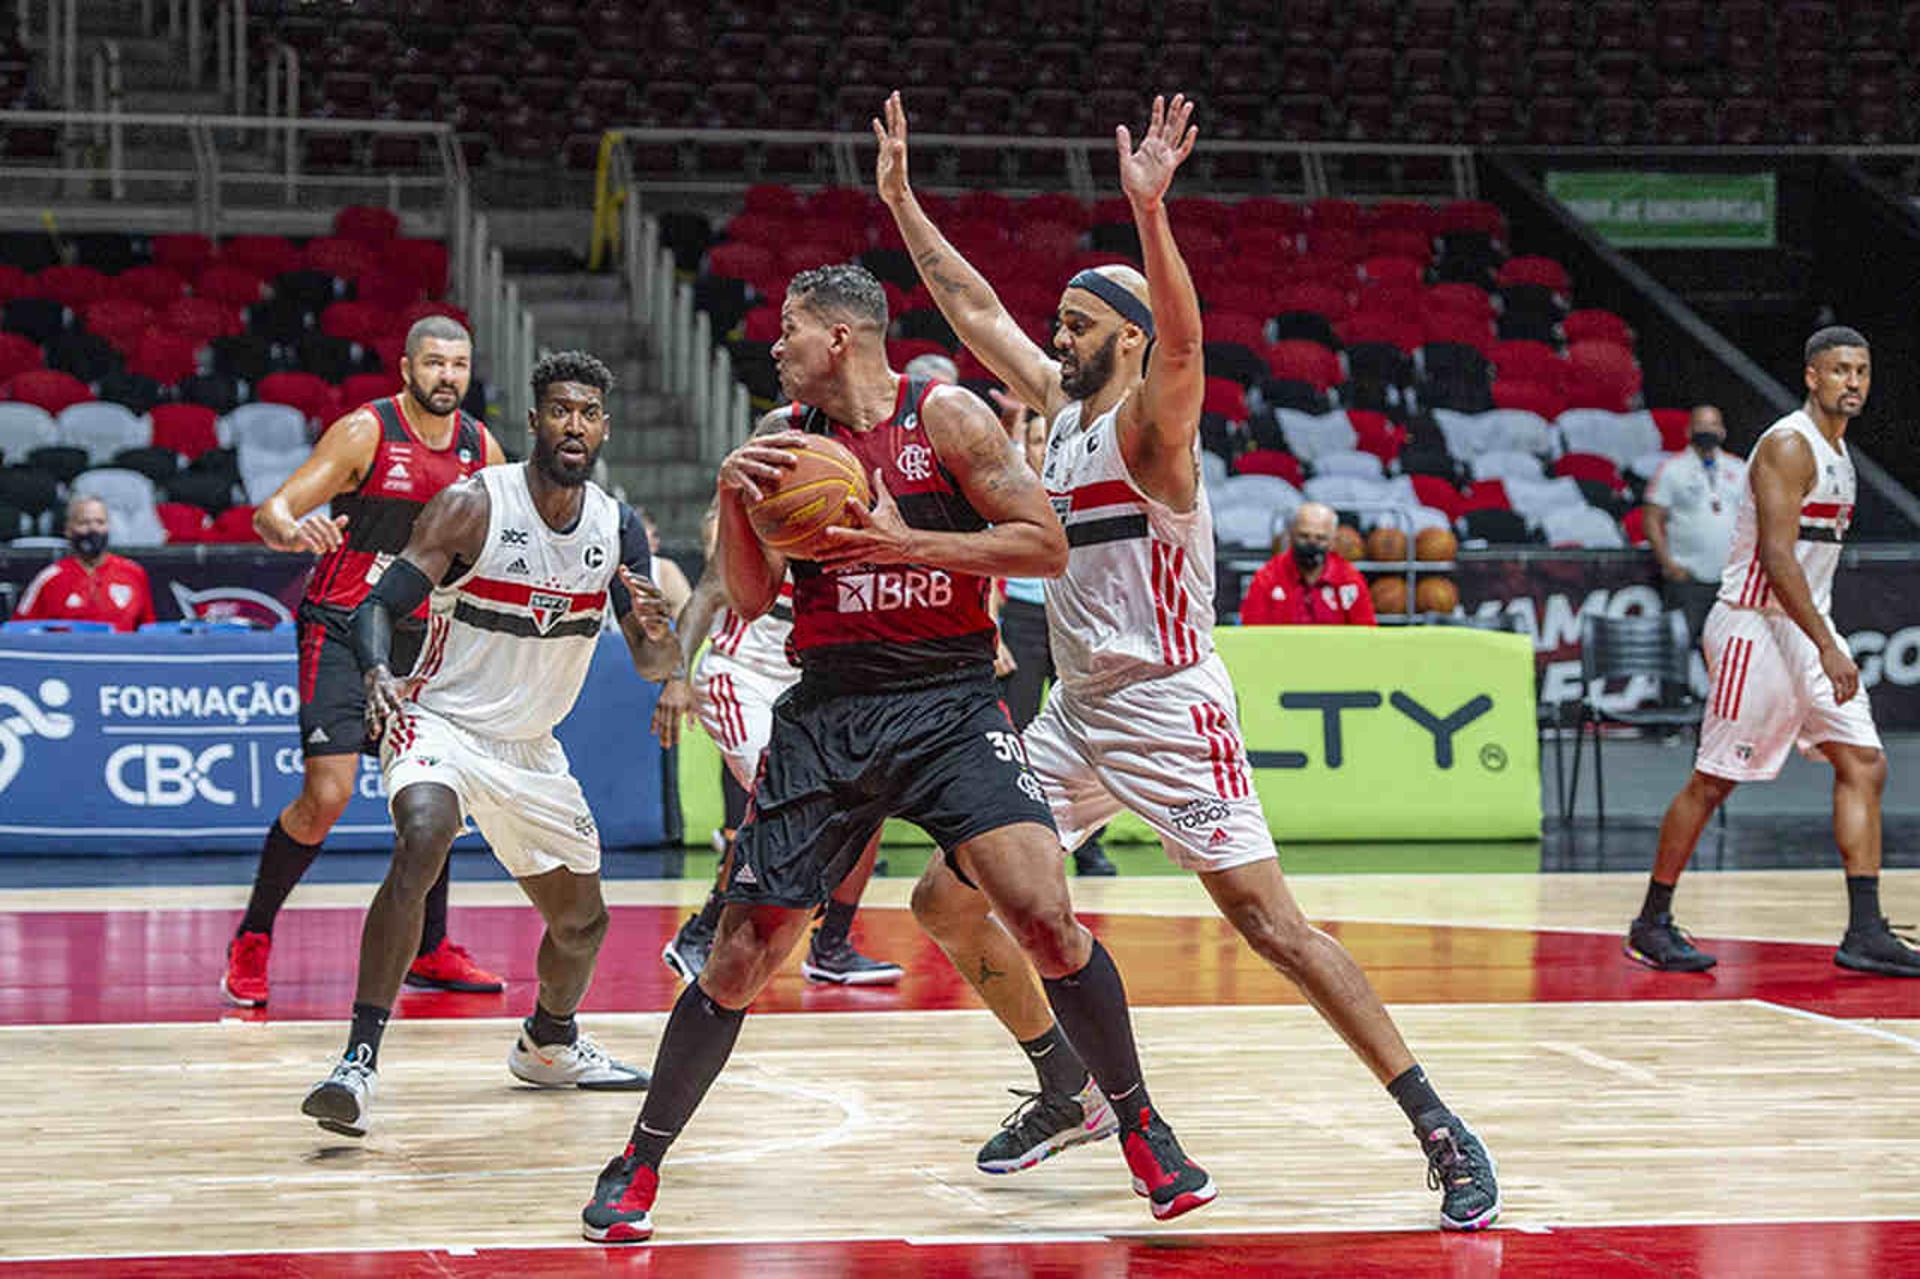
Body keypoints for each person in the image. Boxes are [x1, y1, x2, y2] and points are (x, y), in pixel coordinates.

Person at [875, 90, 1499, 1230]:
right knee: (945, 902)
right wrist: (904, 203)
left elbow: (1191, 338)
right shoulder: (1058, 419)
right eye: (1055, 322)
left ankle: (1437, 1122)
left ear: (1127, 336)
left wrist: (1152, 215)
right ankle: (1070, 1088)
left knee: (1274, 929)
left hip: (1168, 703)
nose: (1054, 336)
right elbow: (971, 310)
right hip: (1074, 713)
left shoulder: (1156, 428)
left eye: (1075, 323)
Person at [581, 263, 1213, 1243]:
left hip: (950, 700)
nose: (776, 343)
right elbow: (749, 601)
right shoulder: (782, 448)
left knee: (1043, 909)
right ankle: (639, 1159)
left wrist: (907, 543)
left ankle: (1141, 1126)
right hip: (831, 706)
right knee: (744, 956)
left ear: (840, 336)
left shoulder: (946, 416)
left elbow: (1042, 545)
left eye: (790, 327)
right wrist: (733, 496)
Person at [301, 351, 677, 1137]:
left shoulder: (617, 528)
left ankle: (549, 1042)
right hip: (438, 718)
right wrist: (375, 668)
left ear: (603, 427)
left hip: (531, 748)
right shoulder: (473, 505)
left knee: (583, 925)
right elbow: (377, 604)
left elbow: (651, 661)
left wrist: (659, 638)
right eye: (560, 410)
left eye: (589, 413)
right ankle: (357, 1061)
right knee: (424, 835)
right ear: (534, 421)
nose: (574, 424)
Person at [222, 318, 508, 1009]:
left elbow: (507, 542)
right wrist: (294, 526)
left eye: (459, 365)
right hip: (344, 626)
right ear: (406, 367)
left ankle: (431, 945)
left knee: (435, 796)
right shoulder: (366, 432)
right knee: (327, 797)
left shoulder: (483, 448)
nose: (448, 376)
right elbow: (273, 511)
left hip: (424, 642)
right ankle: (253, 934)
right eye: (434, 363)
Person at [1626, 327, 1920, 977]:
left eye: (1863, 371)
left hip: (1804, 627)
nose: (1854, 382)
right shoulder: (1790, 445)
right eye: (1840, 369)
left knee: (1865, 763)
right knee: (1713, 779)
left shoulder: (1841, 455)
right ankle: (1652, 920)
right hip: (1753, 626)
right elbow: (1776, 557)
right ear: (1812, 376)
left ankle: (1865, 929)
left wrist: (1820, 638)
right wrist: (1827, 643)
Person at [656, 509, 904, 986]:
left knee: (870, 801)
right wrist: (675, 677)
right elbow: (708, 593)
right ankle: (701, 933)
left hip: (810, 685)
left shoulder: (864, 510)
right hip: (741, 675)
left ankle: (831, 947)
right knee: (780, 796)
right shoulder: (767, 509)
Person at [991, 390, 1116, 875]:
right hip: (1021, 618)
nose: (1042, 448)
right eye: (1034, 441)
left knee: (1088, 730)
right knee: (1016, 733)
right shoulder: (1015, 487)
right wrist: (994, 631)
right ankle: (1018, 841)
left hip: (1078, 623)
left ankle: (1088, 844)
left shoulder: (1085, 482)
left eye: (1048, 440)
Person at [1645, 405, 1745, 644]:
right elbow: (1651, 519)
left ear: (1722, 432)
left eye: (1713, 425)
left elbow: (1753, 519)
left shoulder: (1740, 468)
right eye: (1701, 424)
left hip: (1729, 580)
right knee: (1678, 649)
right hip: (1687, 576)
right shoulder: (1672, 469)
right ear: (1689, 431)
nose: (1707, 430)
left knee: (1728, 650)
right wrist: (1668, 564)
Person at [13, 496, 155, 631]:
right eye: (84, 523)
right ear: (68, 530)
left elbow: (148, 631)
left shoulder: (134, 573)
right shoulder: (49, 578)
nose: (93, 529)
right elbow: (18, 631)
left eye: (100, 522)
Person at [1237, 501, 1376, 626]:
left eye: (1321, 538)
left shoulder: (1349, 580)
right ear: (1291, 535)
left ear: (1333, 541)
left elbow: (1366, 634)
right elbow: (1251, 630)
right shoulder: (1267, 578)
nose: (1312, 544)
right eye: (1304, 536)